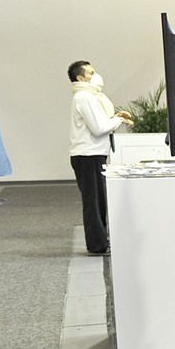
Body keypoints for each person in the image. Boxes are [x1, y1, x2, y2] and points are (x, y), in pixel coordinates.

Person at [67, 60, 133, 255]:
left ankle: (101, 241)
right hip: (87, 155)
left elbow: (99, 123)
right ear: (80, 78)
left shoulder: (90, 97)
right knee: (93, 203)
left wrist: (115, 117)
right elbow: (99, 129)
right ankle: (97, 245)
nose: (96, 75)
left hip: (93, 154)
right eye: (91, 73)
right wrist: (118, 120)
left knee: (98, 201)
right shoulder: (84, 97)